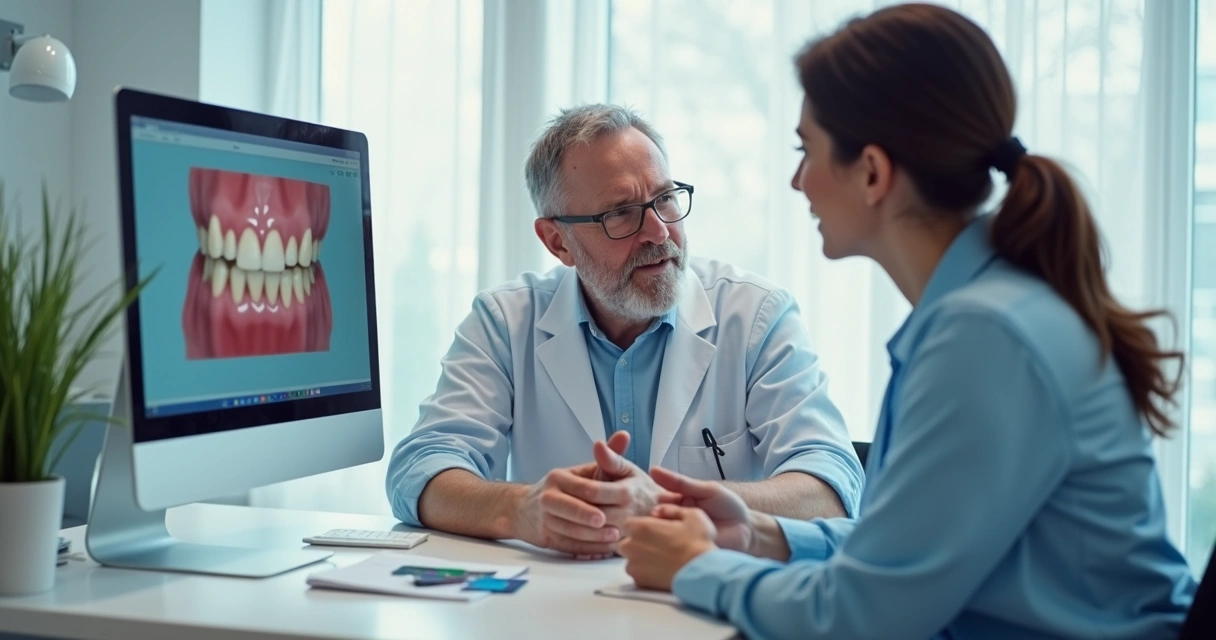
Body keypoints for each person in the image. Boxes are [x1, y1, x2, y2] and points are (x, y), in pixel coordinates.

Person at [614, 4, 1198, 638]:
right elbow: (906, 554)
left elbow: (863, 616)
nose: (797, 181)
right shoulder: (982, 313)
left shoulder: (984, 339)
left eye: (807, 151)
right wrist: (756, 534)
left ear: (872, 171)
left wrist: (697, 568)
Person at [385, 104, 864, 559]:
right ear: (557, 241)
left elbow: (830, 487)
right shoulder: (505, 322)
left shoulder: (755, 315)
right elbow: (419, 470)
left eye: (665, 199)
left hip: (708, 594)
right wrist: (519, 509)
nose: (659, 231)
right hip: (556, 600)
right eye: (620, 213)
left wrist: (663, 505)